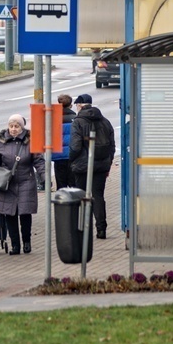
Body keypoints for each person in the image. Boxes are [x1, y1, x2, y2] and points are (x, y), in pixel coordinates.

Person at [0, 114, 45, 255]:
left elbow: (38, 161)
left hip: (26, 180)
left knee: (24, 213)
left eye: (16, 126)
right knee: (9, 214)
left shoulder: (30, 140)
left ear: (22, 127)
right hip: (7, 183)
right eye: (11, 126)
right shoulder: (2, 141)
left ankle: (26, 242)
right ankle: (15, 245)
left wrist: (44, 177)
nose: (13, 129)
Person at [69, 93, 115, 240]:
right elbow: (112, 146)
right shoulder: (105, 121)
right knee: (98, 196)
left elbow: (75, 146)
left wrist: (72, 160)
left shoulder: (78, 122)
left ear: (80, 106)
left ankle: (82, 229)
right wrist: (108, 163)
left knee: (81, 196)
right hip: (101, 165)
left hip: (82, 166)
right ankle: (101, 229)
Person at [52, 94, 76, 190]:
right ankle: (74, 205)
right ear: (71, 105)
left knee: (61, 187)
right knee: (73, 186)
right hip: (72, 156)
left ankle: (61, 204)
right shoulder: (75, 118)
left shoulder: (53, 118)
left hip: (58, 156)